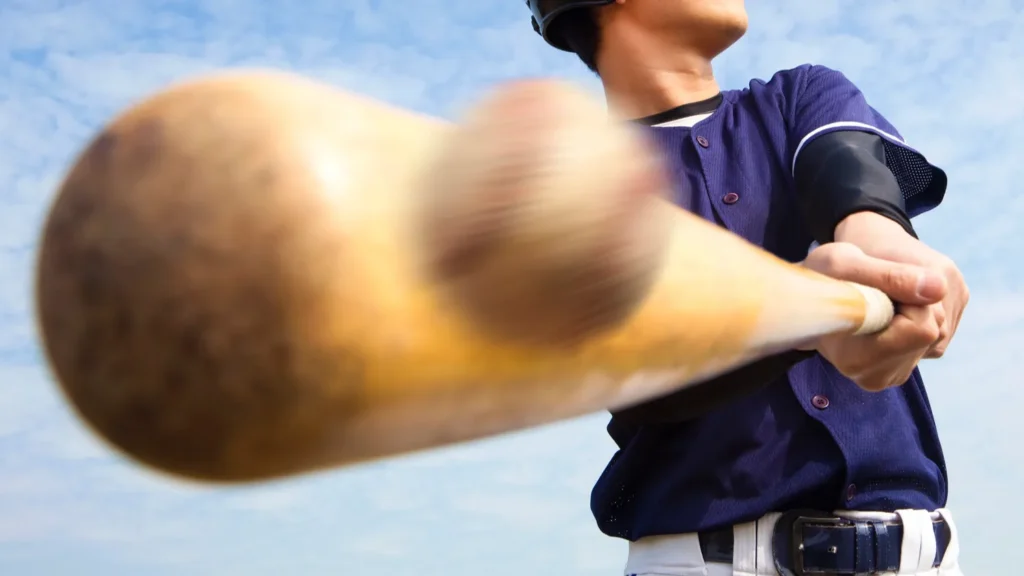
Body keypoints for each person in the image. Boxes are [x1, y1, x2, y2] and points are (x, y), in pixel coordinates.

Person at [524, 1, 971, 575]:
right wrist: (800, 317)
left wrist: (885, 249)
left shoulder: (799, 95)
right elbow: (638, 366)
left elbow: (850, 175)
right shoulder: (573, 187)